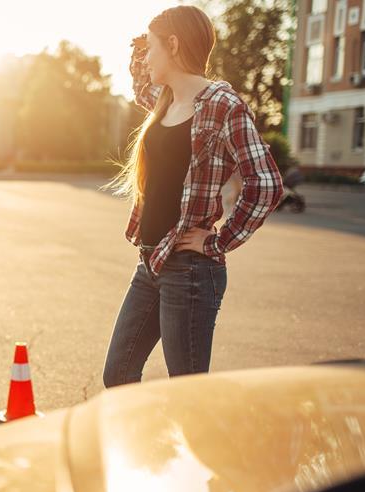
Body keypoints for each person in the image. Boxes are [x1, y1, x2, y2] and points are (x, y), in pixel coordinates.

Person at [102, 5, 283, 388]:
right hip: (151, 260)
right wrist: (142, 41)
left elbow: (265, 183)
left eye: (153, 48)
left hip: (190, 271)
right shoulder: (165, 98)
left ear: (173, 44)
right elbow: (139, 79)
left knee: (187, 393)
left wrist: (218, 241)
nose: (146, 58)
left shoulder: (222, 105)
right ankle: (155, 447)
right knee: (118, 374)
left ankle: (199, 449)